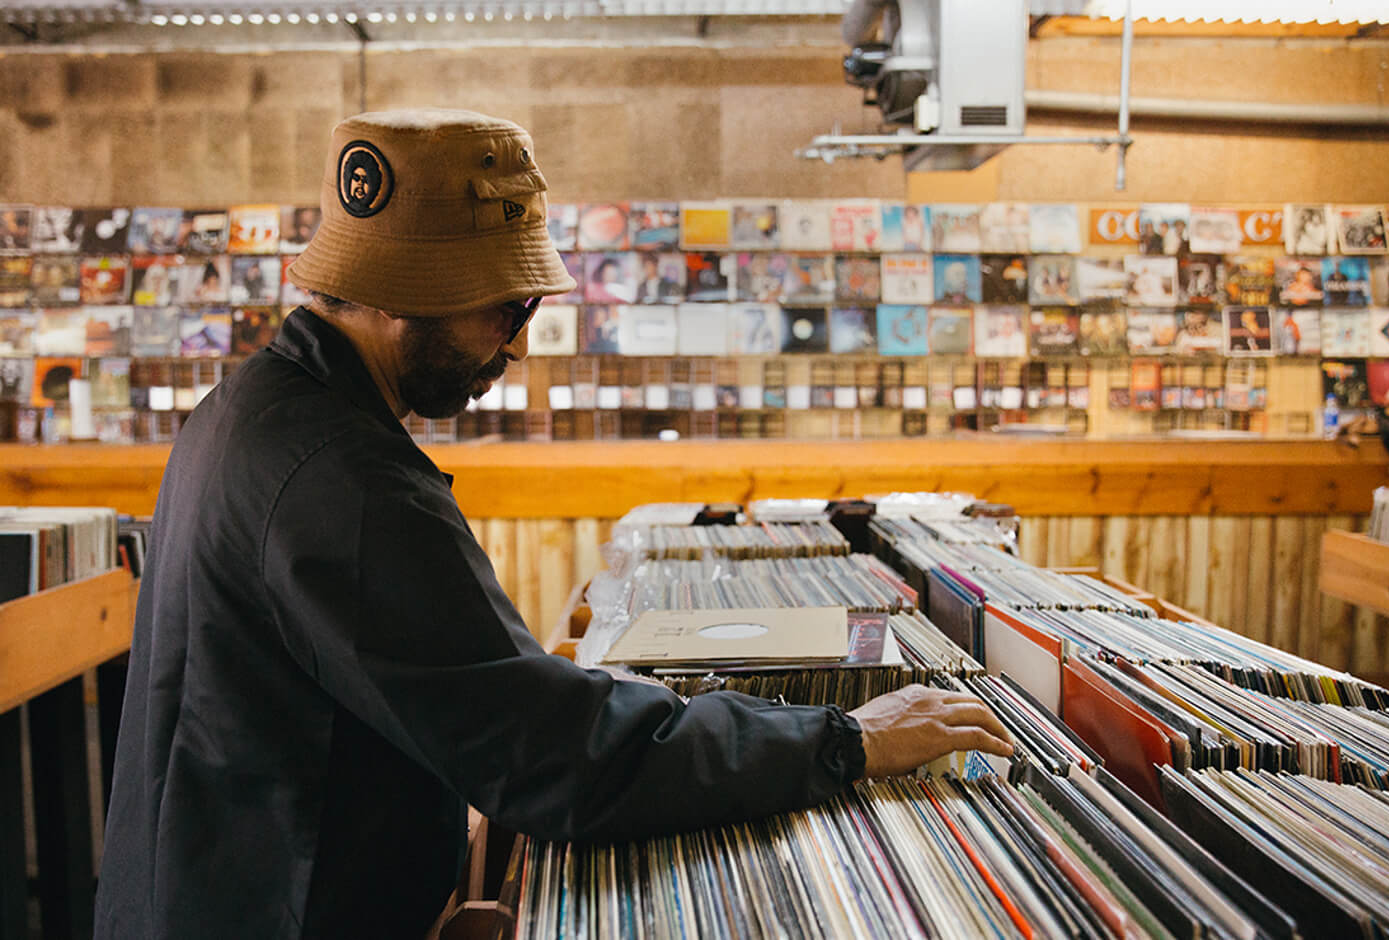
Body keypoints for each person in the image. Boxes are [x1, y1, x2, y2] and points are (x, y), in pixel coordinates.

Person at [95, 108, 1012, 940]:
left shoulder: (247, 408)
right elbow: (555, 760)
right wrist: (847, 740)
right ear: (397, 291)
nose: (521, 343)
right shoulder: (350, 482)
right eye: (507, 306)